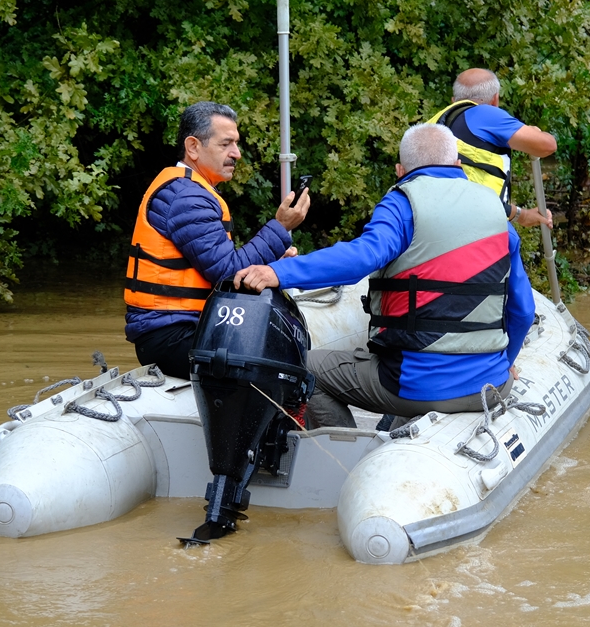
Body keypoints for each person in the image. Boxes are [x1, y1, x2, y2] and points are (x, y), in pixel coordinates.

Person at [234, 123, 535, 428]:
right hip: (492, 386)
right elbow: (523, 312)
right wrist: (505, 365)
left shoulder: (402, 203)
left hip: (418, 387)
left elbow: (362, 257)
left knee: (301, 366)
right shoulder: (498, 214)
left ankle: (345, 456)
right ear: (458, 165)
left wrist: (278, 271)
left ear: (400, 169)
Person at [124, 101, 311, 379]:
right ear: (193, 147)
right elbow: (226, 272)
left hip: (187, 327)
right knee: (276, 366)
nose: (236, 153)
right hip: (171, 337)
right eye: (226, 144)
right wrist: (280, 228)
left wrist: (269, 262)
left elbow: (223, 265)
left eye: (236, 144)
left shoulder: (191, 190)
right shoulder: (186, 198)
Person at [428, 68, 557, 228]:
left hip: (434, 226)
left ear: (454, 101)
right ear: (495, 100)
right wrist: (536, 132)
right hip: (476, 231)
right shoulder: (484, 113)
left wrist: (522, 216)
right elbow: (547, 146)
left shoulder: (430, 125)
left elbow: (471, 194)